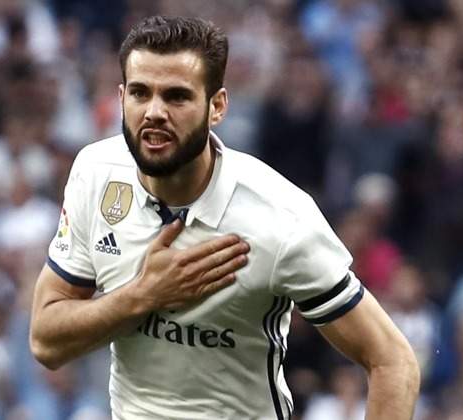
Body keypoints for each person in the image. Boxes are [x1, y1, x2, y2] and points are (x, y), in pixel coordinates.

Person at [30, 15, 419, 419]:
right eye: (140, 93)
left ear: (216, 107)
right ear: (121, 96)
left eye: (177, 97)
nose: (154, 112)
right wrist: (144, 295)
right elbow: (46, 341)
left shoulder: (279, 216)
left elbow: (393, 361)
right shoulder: (96, 173)